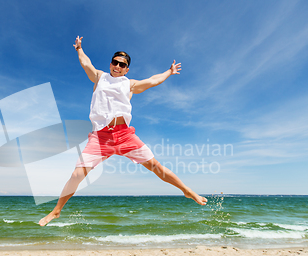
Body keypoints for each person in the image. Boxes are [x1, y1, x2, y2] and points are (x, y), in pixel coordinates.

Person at [39, 36, 207, 226]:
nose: (117, 66)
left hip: (124, 135)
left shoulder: (129, 84)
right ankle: (56, 211)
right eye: (114, 62)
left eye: (122, 64)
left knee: (155, 166)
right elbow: (86, 63)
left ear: (127, 69)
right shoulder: (99, 77)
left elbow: (153, 81)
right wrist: (79, 49)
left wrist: (169, 72)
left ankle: (186, 190)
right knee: (77, 175)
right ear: (110, 63)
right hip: (100, 137)